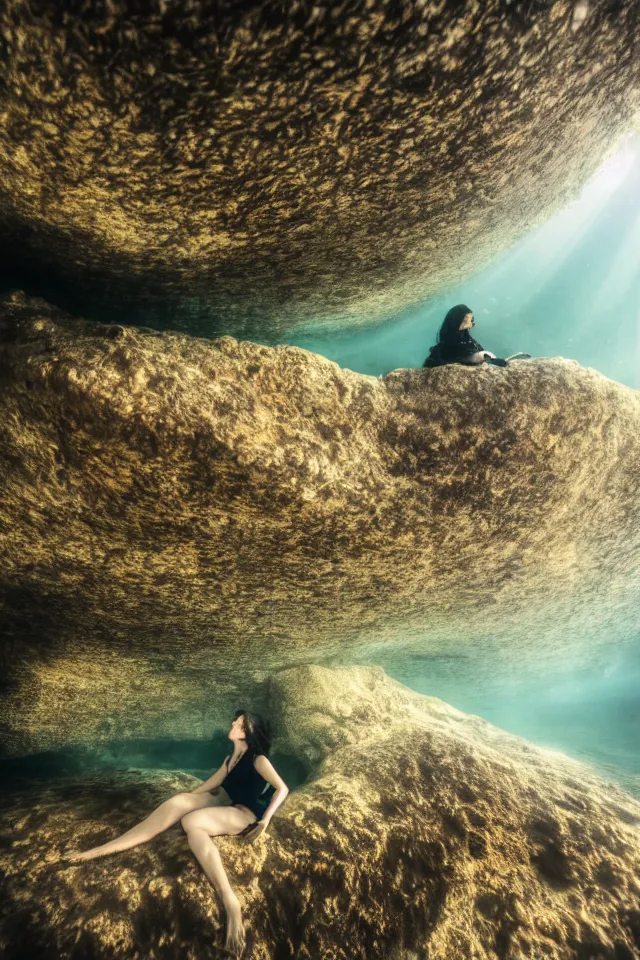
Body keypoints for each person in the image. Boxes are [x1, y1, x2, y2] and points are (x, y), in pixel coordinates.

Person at [63, 710, 289, 959]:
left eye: (240, 722)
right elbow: (208, 786)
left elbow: (282, 788)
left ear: (248, 732)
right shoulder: (231, 758)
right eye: (236, 720)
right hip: (227, 801)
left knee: (192, 822)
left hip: (244, 813)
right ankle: (101, 849)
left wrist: (265, 821)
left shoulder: (259, 760)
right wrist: (187, 799)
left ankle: (230, 901)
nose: (234, 722)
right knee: (180, 803)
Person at [423, 303, 509, 368]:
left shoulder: (466, 338)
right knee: (484, 354)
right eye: (465, 320)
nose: (471, 323)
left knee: (484, 354)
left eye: (471, 320)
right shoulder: (445, 344)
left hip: (470, 359)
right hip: (453, 361)